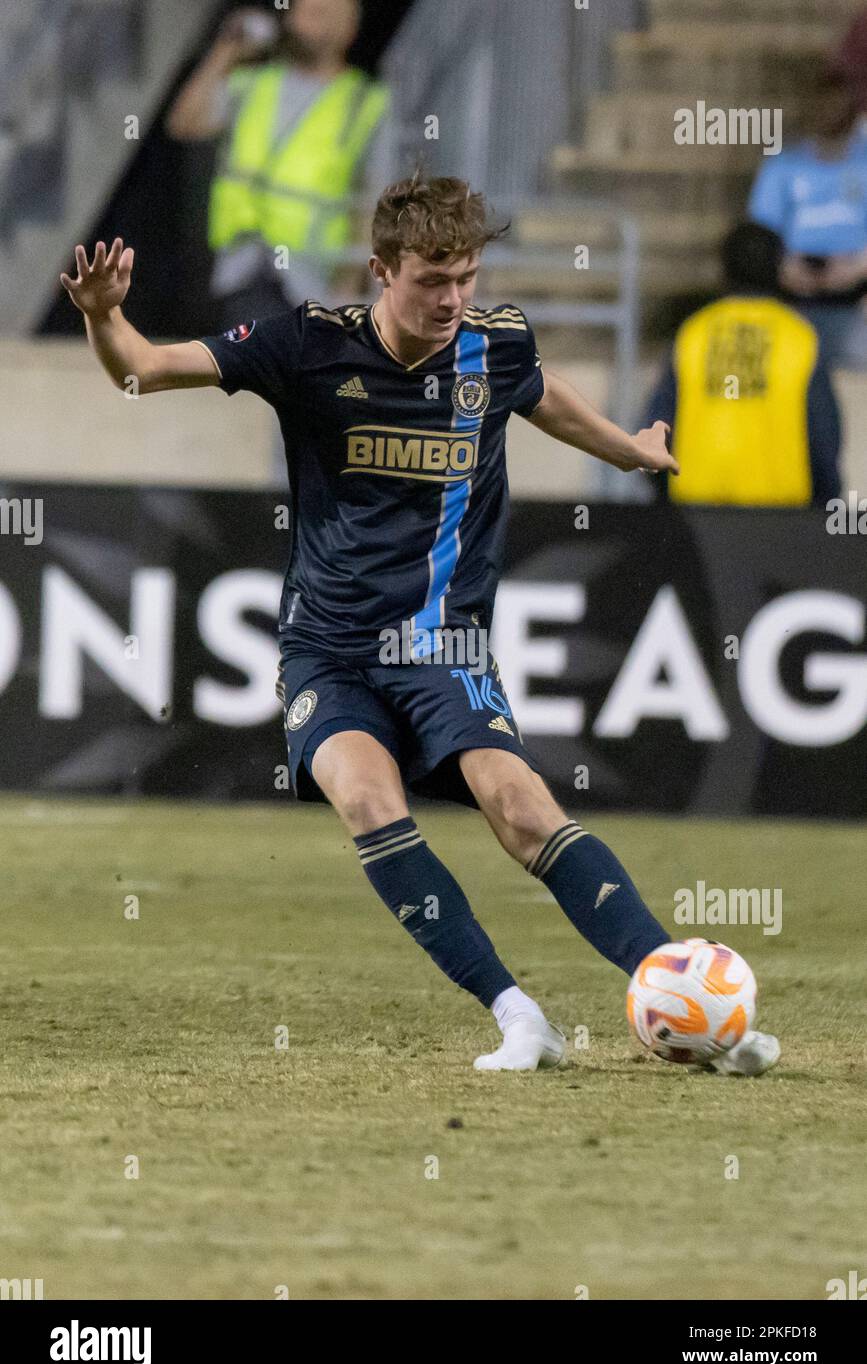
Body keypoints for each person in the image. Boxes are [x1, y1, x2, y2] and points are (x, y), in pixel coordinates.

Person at [59, 174, 780, 1078]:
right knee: (368, 800)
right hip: (326, 646)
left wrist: (628, 447)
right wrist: (101, 318)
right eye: (431, 281)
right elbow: (145, 368)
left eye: (466, 278)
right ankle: (520, 1019)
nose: (451, 300)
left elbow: (541, 391)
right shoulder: (306, 346)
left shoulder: (493, 348)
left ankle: (681, 995)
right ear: (380, 270)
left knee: (520, 808)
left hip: (446, 642)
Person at [166, 0, 391, 326]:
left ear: (349, 28)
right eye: (306, 9)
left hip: (314, 278)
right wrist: (226, 51)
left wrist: (350, 280)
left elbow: (369, 202)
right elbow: (185, 122)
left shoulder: (363, 102)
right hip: (244, 267)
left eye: (325, 12)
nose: (311, 18)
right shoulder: (254, 83)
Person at [643, 222, 841, 506]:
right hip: (781, 514)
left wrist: (664, 496)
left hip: (696, 511)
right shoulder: (799, 337)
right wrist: (825, 504)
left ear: (724, 268)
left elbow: (658, 428)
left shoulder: (695, 332)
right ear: (778, 268)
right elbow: (822, 437)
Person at [748, 68, 867, 369]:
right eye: (824, 105)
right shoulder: (782, 166)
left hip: (857, 294)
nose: (831, 114)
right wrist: (784, 266)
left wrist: (859, 266)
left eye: (839, 106)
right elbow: (758, 239)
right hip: (793, 292)